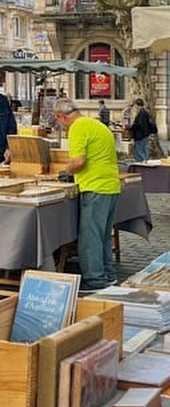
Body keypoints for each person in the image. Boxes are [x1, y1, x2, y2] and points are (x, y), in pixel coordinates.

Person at [52, 96, 121, 289]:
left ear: (61, 116)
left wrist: (66, 170)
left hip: (95, 186)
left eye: (58, 121)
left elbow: (79, 161)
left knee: (90, 238)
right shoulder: (97, 125)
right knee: (103, 236)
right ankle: (108, 275)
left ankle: (95, 279)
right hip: (110, 185)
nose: (61, 126)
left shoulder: (78, 128)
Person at [125, 97, 157, 164]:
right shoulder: (145, 112)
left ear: (136, 105)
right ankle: (146, 161)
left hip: (140, 135)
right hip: (145, 133)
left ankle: (142, 162)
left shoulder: (141, 113)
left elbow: (139, 125)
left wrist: (130, 127)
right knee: (145, 149)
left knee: (139, 150)